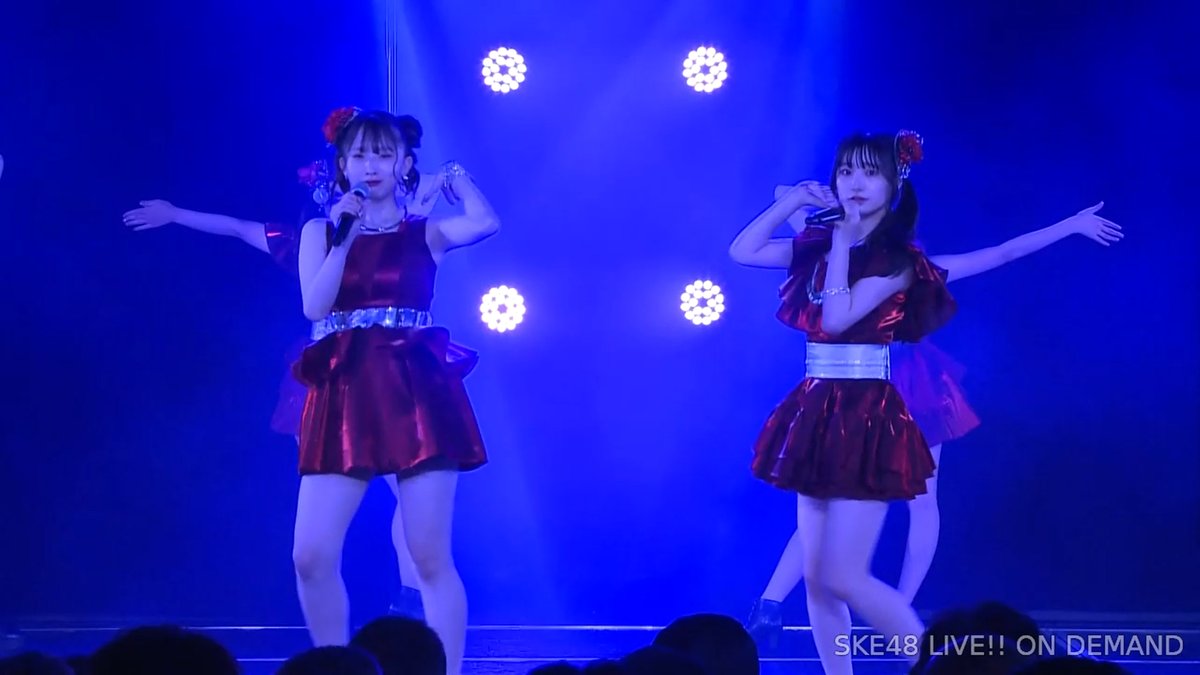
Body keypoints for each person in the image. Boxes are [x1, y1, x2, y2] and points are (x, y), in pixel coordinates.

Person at [744, 192, 1123, 642]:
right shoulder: (831, 259)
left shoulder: (886, 265)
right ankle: (799, 606)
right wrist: (803, 199)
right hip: (863, 385)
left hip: (894, 386)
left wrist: (1069, 225)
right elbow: (1002, 253)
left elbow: (1003, 253)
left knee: (881, 503)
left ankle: (832, 606)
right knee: (850, 503)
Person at [122, 156, 453, 620]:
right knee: (327, 502)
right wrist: (176, 213)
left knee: (410, 494)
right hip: (329, 376)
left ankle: (410, 593)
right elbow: (237, 228)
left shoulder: (397, 236)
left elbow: (424, 218)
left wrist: (440, 183)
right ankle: (330, 598)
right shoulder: (308, 242)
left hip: (387, 373)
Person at [729, 130, 953, 674]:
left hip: (866, 413)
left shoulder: (896, 260)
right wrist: (793, 201)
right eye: (846, 171)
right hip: (816, 405)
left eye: (870, 173)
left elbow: (835, 319)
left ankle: (944, 668)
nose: (855, 182)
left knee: (844, 576)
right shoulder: (820, 242)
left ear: (894, 184)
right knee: (815, 578)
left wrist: (838, 242)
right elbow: (742, 251)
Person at [292, 106, 497, 675]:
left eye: (384, 154)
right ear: (342, 165)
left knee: (428, 555)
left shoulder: (424, 230)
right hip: (346, 391)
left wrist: (453, 177)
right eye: (359, 154)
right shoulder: (320, 232)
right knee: (310, 554)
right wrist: (344, 236)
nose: (371, 165)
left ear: (405, 163)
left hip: (416, 392)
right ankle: (334, 668)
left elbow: (485, 223)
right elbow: (314, 306)